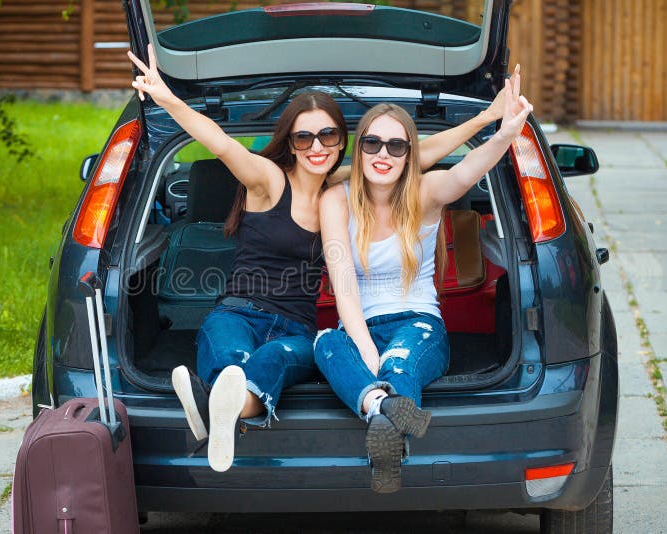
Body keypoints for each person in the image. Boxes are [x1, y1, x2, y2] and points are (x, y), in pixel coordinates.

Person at [128, 45, 511, 473]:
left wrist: (484, 120)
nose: (316, 146)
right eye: (304, 137)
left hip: (295, 325)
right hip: (237, 311)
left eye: (328, 136)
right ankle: (222, 404)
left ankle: (212, 406)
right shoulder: (268, 179)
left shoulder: (340, 187)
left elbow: (412, 155)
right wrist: (168, 99)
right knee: (232, 359)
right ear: (290, 143)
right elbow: (220, 144)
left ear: (341, 143)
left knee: (270, 361)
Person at [314, 67, 531, 493]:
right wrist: (364, 348)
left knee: (398, 363)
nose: (383, 154)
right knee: (324, 343)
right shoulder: (334, 200)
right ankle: (388, 414)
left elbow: (466, 170)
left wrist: (502, 134)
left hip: (419, 324)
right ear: (358, 150)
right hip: (358, 325)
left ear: (410, 155)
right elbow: (344, 288)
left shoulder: (425, 193)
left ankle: (382, 416)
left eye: (397, 146)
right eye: (373, 142)